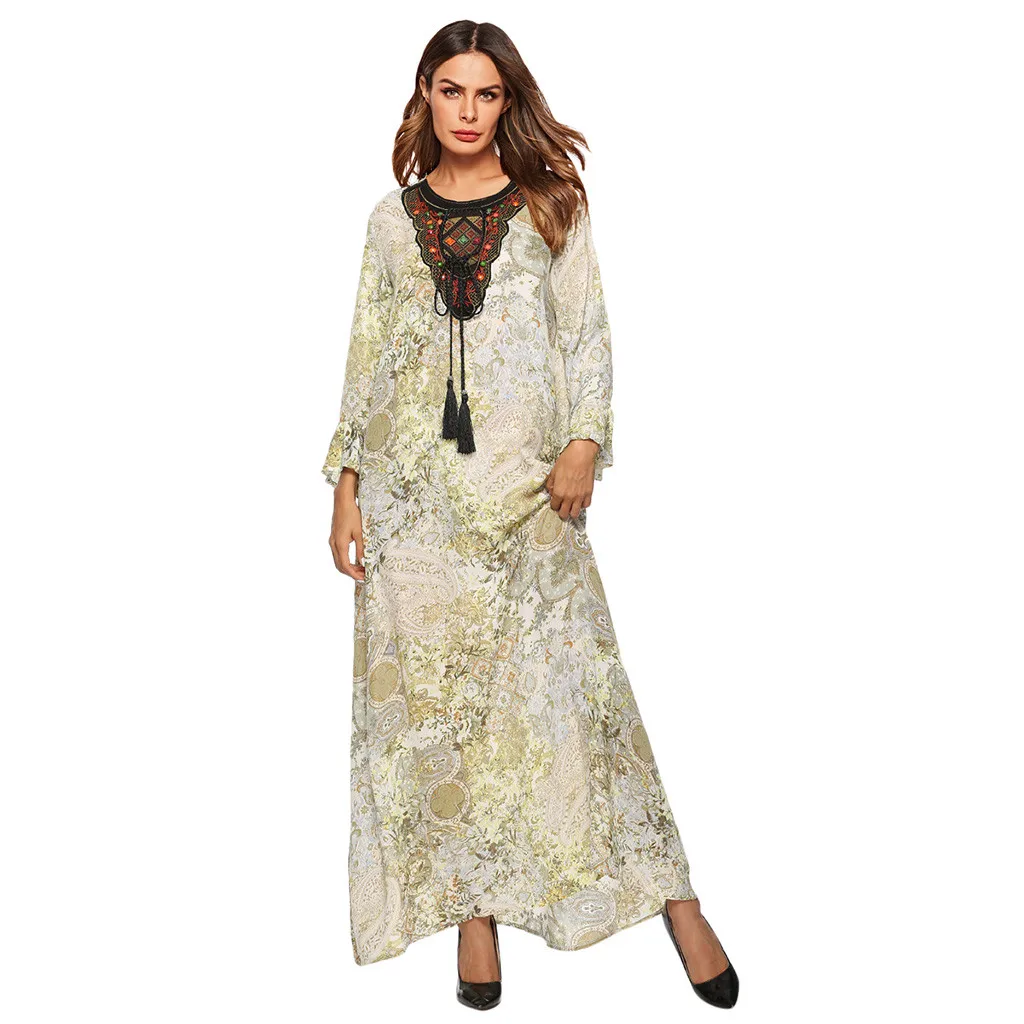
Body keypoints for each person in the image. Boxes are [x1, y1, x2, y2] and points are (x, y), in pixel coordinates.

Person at [322, 20, 739, 1012]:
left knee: (586, 702)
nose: (467, 112)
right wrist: (344, 483)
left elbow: (586, 330)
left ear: (507, 101)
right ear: (425, 94)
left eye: (487, 94)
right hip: (415, 512)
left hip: (526, 497)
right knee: (442, 719)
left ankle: (677, 900)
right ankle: (474, 920)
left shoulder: (552, 203)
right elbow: (369, 352)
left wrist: (585, 440)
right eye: (451, 91)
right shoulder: (390, 220)